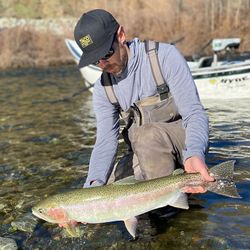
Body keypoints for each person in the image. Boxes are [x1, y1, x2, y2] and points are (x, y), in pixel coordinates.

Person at [74, 9, 214, 193]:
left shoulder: (165, 57)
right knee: (109, 187)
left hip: (184, 145)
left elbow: (194, 114)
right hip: (146, 152)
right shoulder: (103, 88)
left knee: (147, 135)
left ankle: (167, 210)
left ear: (121, 35)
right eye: (95, 61)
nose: (103, 64)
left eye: (106, 54)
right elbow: (105, 142)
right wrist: (90, 189)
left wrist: (194, 153)